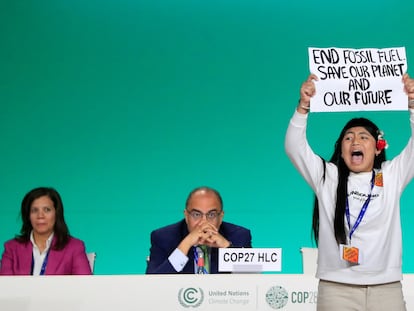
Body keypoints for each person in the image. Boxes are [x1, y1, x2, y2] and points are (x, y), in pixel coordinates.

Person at [285, 73, 414, 310]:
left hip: (386, 288)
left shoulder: (390, 175)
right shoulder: (328, 176)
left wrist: (413, 105)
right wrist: (303, 106)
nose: (355, 141)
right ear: (341, 149)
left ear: (377, 148)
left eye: (363, 137)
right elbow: (294, 147)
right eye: (348, 138)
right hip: (337, 289)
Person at [146, 186, 252, 274]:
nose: (203, 222)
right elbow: (151, 285)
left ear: (221, 217)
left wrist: (227, 247)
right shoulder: (163, 238)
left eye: (211, 215)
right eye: (196, 214)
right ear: (186, 216)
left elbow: (253, 282)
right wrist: (186, 244)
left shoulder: (239, 236)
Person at [0, 187, 92, 275]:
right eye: (34, 210)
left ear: (56, 213)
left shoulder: (74, 247)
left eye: (47, 210)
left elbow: (85, 287)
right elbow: (5, 288)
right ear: (28, 216)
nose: (40, 216)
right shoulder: (11, 248)